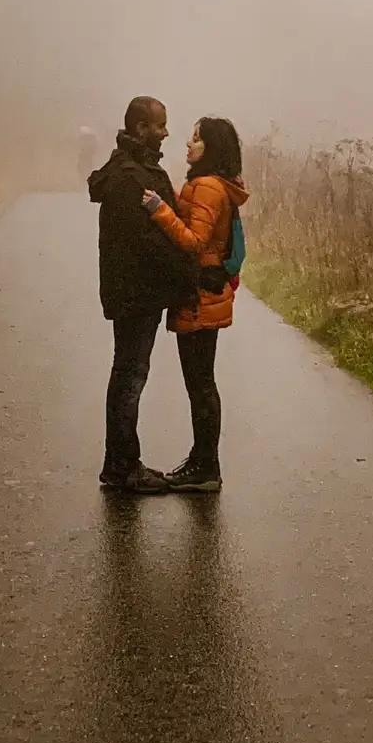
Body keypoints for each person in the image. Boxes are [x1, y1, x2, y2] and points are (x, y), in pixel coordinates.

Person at [88, 97, 198, 494]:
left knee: (128, 374)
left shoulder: (132, 169)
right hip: (135, 294)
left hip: (135, 292)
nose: (166, 132)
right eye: (159, 125)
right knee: (129, 376)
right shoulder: (132, 178)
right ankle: (122, 467)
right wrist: (192, 275)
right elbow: (153, 242)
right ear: (139, 128)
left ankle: (120, 463)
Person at [141, 114, 248, 493]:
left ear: (212, 148)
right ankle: (204, 463)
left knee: (200, 383)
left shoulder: (206, 187)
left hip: (202, 296)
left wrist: (159, 211)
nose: (188, 143)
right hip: (208, 293)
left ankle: (205, 467)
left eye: (197, 139)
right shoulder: (218, 185)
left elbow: (194, 241)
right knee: (202, 382)